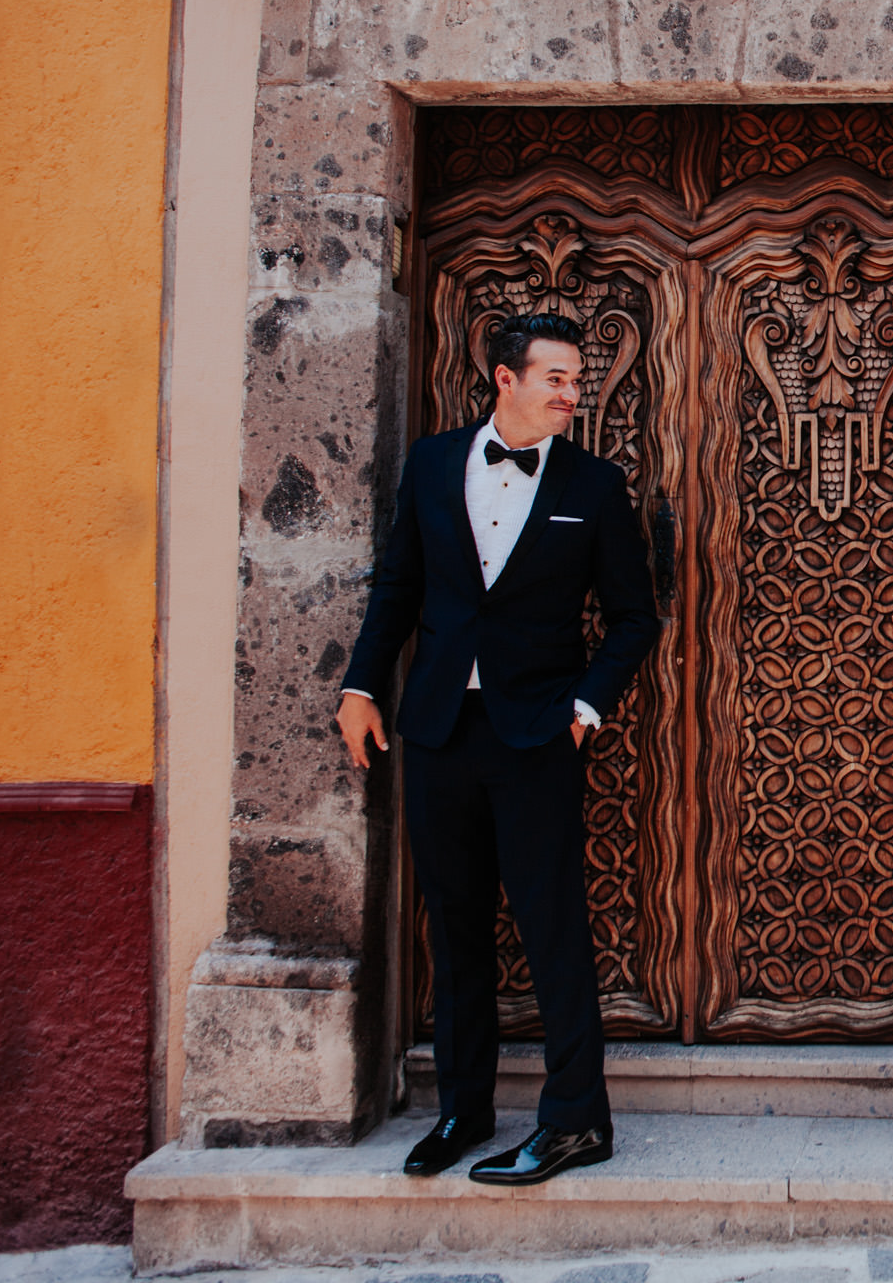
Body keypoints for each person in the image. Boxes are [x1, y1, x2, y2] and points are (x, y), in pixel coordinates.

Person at [334, 311, 661, 1186]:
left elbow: (635, 617)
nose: (571, 392)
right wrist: (361, 686)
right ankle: (462, 1110)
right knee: (456, 926)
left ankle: (575, 1123)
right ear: (504, 379)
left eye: (576, 379)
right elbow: (399, 583)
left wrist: (585, 708)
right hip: (439, 728)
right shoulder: (438, 461)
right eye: (554, 377)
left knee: (554, 928)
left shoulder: (593, 486)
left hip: (536, 734)